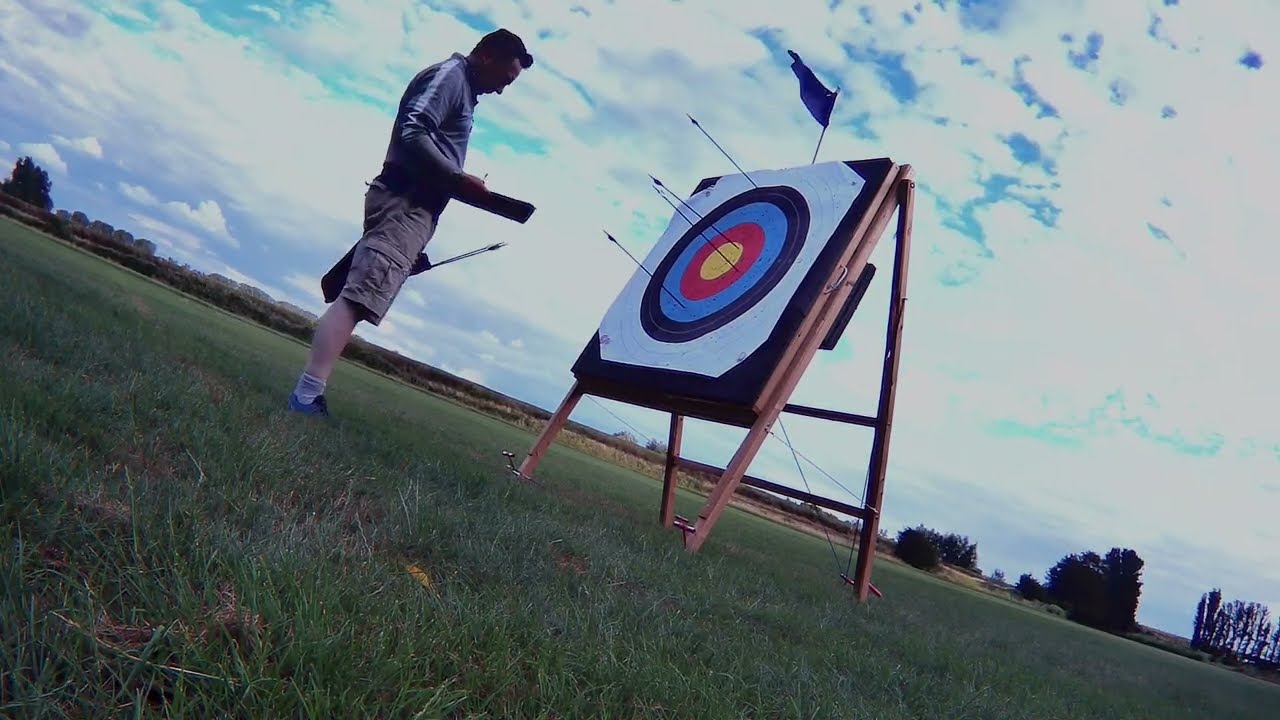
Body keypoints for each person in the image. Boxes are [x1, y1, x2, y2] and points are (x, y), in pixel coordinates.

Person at [287, 28, 534, 417]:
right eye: (504, 79)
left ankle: (308, 394)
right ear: (486, 56)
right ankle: (305, 396)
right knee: (355, 298)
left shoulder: (465, 89)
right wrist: (458, 179)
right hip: (404, 200)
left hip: (415, 208)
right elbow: (413, 131)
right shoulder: (451, 76)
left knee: (359, 295)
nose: (502, 91)